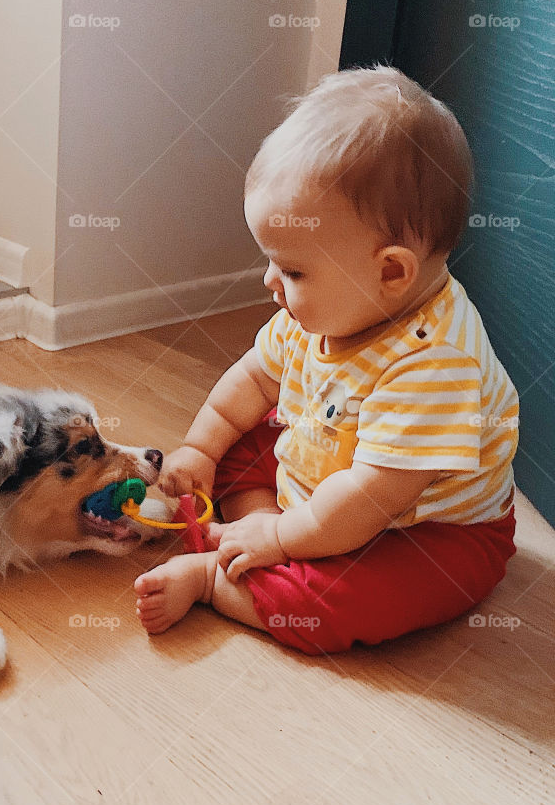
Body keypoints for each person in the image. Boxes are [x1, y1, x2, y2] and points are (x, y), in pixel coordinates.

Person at [134, 66, 519, 655]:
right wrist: (201, 448)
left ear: (391, 271)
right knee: (241, 439)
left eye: (292, 270)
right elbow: (254, 379)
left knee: (331, 605)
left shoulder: (437, 365)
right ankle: (246, 535)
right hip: (331, 477)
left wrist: (284, 536)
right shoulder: (317, 314)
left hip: (422, 528)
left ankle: (220, 576)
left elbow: (368, 498)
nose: (270, 282)